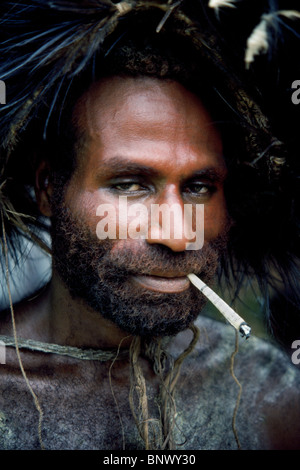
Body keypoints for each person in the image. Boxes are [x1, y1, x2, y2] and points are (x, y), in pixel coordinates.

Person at [0, 0, 300, 451]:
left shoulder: (267, 394)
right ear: (48, 188)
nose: (179, 234)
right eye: (130, 185)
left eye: (199, 186)